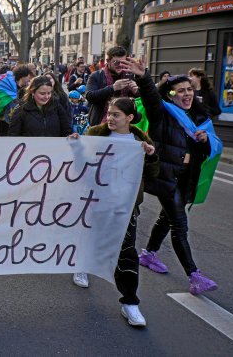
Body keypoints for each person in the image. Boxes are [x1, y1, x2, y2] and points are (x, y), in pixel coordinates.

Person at [124, 60, 219, 295]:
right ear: (171, 94)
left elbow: (211, 145)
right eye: (181, 91)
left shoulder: (200, 118)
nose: (186, 94)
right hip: (167, 177)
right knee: (179, 225)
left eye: (190, 90)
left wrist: (206, 140)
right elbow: (150, 97)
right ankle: (194, 275)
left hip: (187, 177)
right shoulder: (162, 114)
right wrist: (144, 77)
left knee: (166, 219)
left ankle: (148, 254)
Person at [85, 97, 159, 327]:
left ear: (129, 118)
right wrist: (74, 144)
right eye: (108, 113)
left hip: (125, 207)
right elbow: (79, 163)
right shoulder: (95, 134)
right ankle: (81, 265)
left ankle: (130, 303)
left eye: (115, 115)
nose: (110, 118)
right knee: (89, 240)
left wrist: (151, 155)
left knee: (126, 252)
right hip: (97, 202)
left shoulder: (139, 139)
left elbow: (153, 173)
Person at [85, 46, 139, 126]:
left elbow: (142, 99)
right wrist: (112, 88)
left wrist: (136, 92)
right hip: (101, 123)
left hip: (125, 124)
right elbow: (90, 96)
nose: (120, 65)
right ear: (108, 61)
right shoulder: (96, 75)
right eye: (116, 62)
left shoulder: (130, 75)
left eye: (123, 62)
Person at [8, 76, 73, 138]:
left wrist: (71, 136)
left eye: (49, 93)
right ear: (32, 92)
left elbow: (67, 130)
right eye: (42, 94)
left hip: (53, 148)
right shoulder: (20, 110)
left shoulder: (57, 106)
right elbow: (13, 136)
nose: (46, 97)